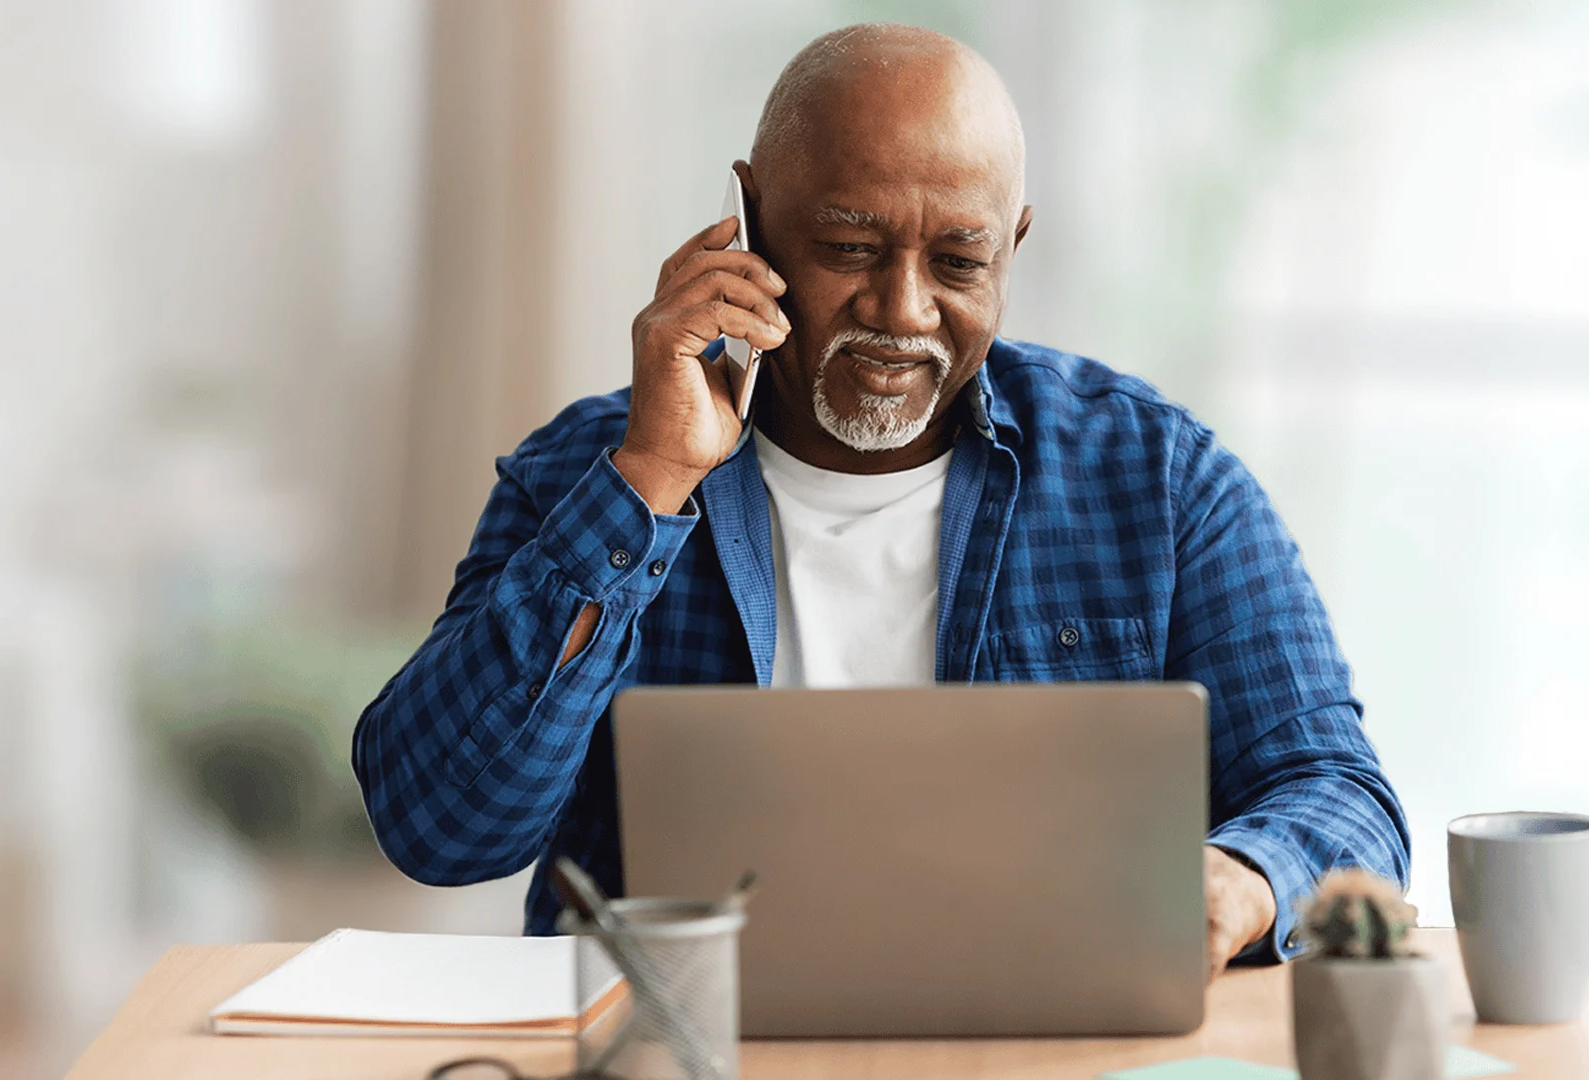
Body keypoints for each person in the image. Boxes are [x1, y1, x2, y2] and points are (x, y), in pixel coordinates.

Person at [353, 22, 1409, 974]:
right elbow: (442, 830)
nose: (903, 311)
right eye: (850, 248)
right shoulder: (589, 473)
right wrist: (653, 481)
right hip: (677, 1047)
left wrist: (1237, 882)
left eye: (958, 260)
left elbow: (1344, 800)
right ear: (750, 219)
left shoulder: (1157, 478)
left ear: (1013, 246)